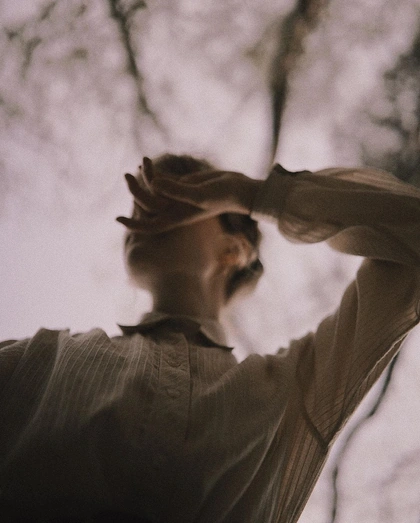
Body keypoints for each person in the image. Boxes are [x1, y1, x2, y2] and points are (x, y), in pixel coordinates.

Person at [0, 154, 419, 523]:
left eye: (179, 196)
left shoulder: (289, 394)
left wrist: (254, 195)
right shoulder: (42, 357)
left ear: (234, 250)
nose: (144, 212)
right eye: (142, 202)